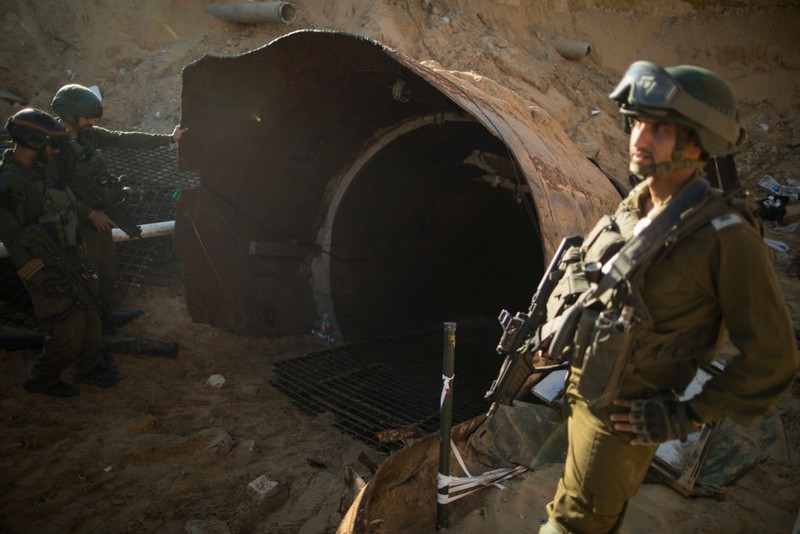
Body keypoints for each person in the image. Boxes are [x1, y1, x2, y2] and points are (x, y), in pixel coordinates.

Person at [537, 61, 799, 533]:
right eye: (637, 122)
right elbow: (592, 271)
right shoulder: (639, 202)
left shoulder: (727, 237)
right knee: (581, 513)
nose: (639, 138)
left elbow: (773, 358)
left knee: (572, 525)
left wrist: (683, 417)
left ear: (697, 141)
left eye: (659, 129)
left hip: (623, 418)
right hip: (583, 390)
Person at [0, 108, 124, 397]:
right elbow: (15, 239)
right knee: (68, 326)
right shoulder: (10, 183)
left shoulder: (37, 171)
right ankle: (42, 378)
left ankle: (90, 368)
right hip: (43, 266)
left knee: (90, 308)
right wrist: (41, 276)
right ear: (33, 142)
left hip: (65, 254)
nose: (56, 151)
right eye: (51, 145)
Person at [49, 83, 188, 334]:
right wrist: (90, 214)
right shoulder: (53, 146)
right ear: (70, 115)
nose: (92, 122)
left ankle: (107, 318)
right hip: (76, 223)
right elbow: (54, 192)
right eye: (87, 117)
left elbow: (123, 139)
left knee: (107, 271)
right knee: (87, 278)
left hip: (99, 217)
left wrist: (169, 138)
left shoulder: (86, 135)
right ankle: (92, 332)